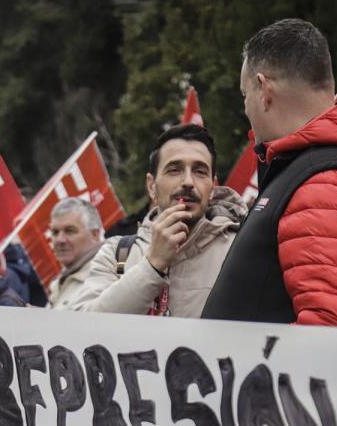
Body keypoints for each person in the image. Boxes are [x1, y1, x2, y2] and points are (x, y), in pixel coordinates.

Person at [202, 18, 337, 326]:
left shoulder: (328, 181)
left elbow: (329, 330)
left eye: (245, 95)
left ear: (264, 89)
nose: (246, 109)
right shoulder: (315, 170)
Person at [70, 123, 246, 317]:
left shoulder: (240, 251)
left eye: (200, 172)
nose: (188, 182)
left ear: (212, 187)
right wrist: (152, 265)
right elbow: (85, 326)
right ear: (151, 186)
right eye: (174, 170)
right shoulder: (116, 253)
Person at [46, 197, 104, 310]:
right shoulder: (60, 280)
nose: (60, 240)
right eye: (55, 232)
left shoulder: (105, 277)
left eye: (70, 231)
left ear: (95, 235)